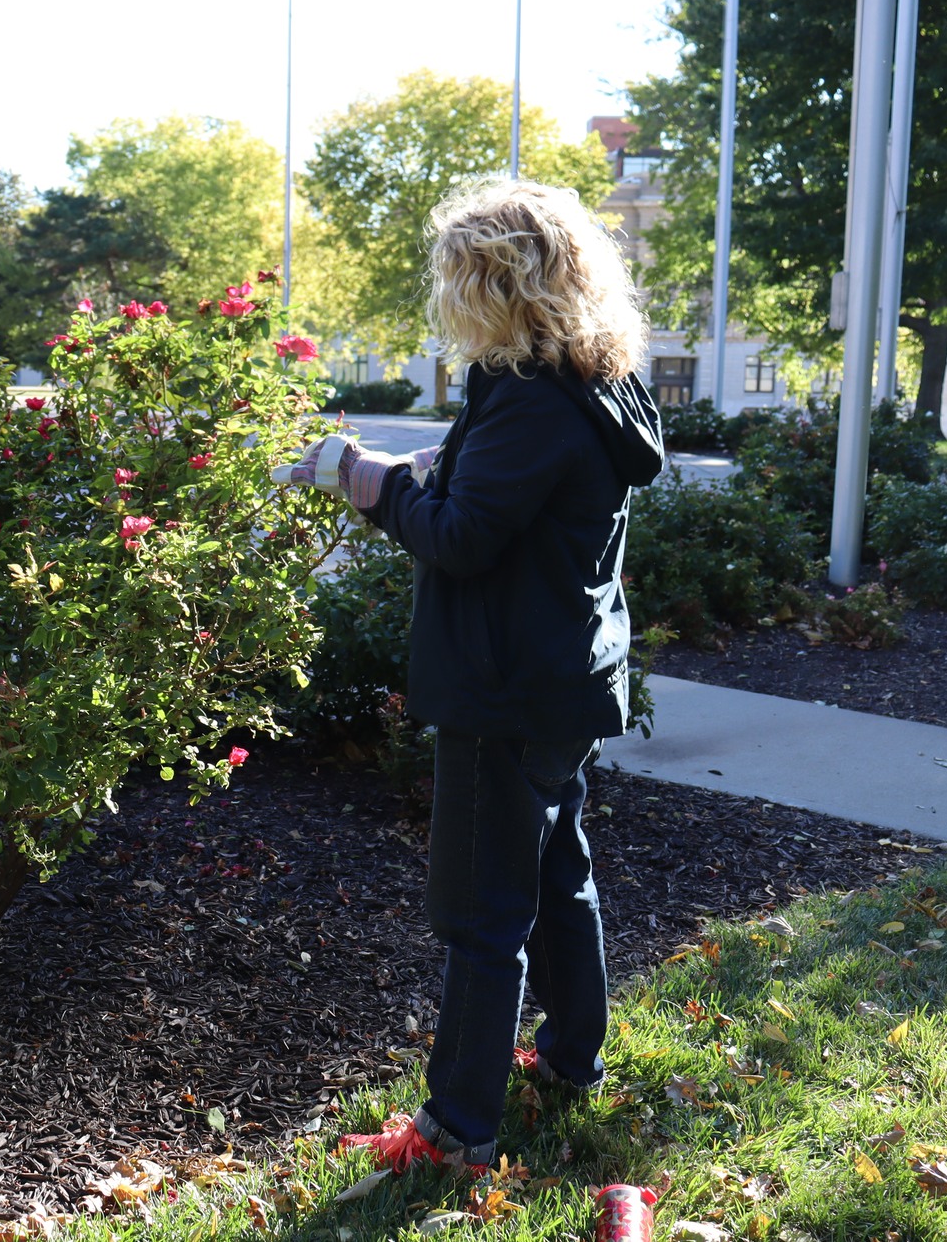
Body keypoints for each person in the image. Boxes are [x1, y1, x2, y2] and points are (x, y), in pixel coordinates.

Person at [283, 177, 664, 1173]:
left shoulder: (531, 400)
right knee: (557, 876)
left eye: (453, 275)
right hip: (560, 676)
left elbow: (457, 537)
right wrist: (393, 471)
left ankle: (455, 1128)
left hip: (503, 688)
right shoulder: (591, 379)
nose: (442, 295)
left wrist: (365, 486)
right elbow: (483, 497)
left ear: (495, 282)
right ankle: (570, 1061)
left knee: (478, 913)